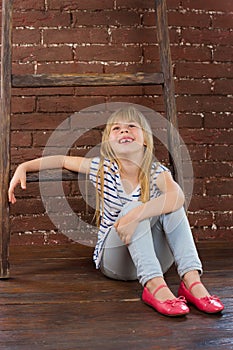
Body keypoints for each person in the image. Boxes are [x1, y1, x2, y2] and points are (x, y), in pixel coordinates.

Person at [8, 106, 224, 317]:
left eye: (132, 126)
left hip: (154, 258)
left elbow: (177, 197)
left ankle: (191, 281)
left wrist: (135, 215)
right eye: (116, 128)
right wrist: (23, 167)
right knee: (135, 205)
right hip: (116, 261)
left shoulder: (157, 172)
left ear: (146, 139)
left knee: (171, 203)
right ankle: (154, 286)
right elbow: (63, 160)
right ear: (108, 142)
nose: (124, 131)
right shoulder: (103, 168)